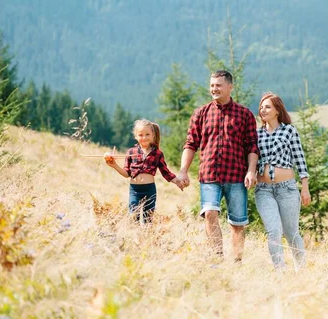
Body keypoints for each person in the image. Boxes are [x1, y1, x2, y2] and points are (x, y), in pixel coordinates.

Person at [178, 70, 259, 262]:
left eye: (218, 85)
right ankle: (217, 258)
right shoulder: (201, 113)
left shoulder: (244, 114)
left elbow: (252, 147)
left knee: (237, 224)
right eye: (212, 85)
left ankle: (237, 262)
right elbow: (190, 144)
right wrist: (183, 171)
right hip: (209, 176)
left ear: (230, 87)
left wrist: (251, 170)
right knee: (210, 213)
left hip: (237, 176)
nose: (214, 89)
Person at [255, 92, 311, 270]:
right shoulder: (256, 134)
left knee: (292, 233)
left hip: (287, 190)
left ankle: (301, 270)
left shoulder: (289, 130)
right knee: (274, 231)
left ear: (277, 110)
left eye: (268, 106)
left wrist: (305, 188)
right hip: (264, 190)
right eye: (261, 107)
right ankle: (280, 272)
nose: (263, 110)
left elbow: (299, 159)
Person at [104, 119, 185, 223]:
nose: (144, 137)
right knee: (133, 216)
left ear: (153, 135)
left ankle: (147, 238)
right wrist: (114, 165)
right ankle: (136, 238)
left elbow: (166, 172)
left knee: (147, 219)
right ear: (136, 136)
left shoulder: (158, 153)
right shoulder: (131, 152)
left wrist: (177, 181)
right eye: (141, 135)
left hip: (149, 190)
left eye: (147, 134)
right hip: (135, 190)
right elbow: (127, 173)